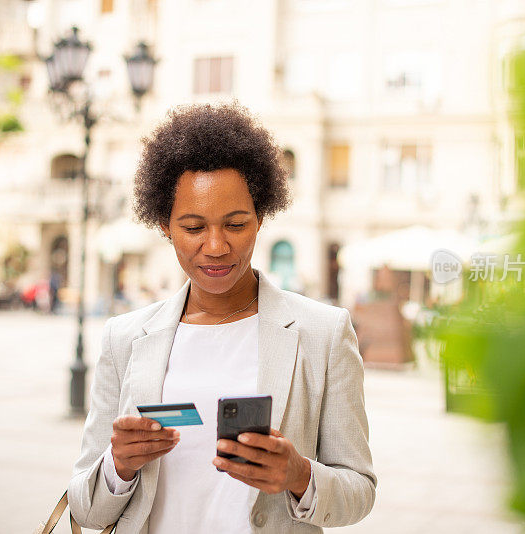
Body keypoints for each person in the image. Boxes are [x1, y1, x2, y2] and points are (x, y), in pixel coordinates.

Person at [67, 103, 376, 533]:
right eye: (193, 227)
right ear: (164, 225)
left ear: (261, 218)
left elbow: (359, 490)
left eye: (235, 224)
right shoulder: (125, 337)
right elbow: (85, 511)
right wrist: (118, 466)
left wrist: (299, 475)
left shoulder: (323, 334)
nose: (215, 246)